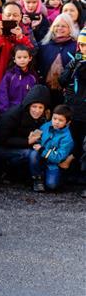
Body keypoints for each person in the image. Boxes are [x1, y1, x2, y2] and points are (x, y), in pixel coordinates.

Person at [0, 84, 51, 184]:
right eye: (34, 106)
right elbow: (1, 140)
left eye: (40, 107)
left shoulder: (43, 118)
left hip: (22, 145)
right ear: (29, 105)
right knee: (30, 153)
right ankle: (8, 172)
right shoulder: (12, 115)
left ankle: (21, 175)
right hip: (1, 149)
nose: (37, 111)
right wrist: (27, 141)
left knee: (36, 152)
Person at [29, 105, 75, 192]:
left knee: (51, 185)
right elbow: (38, 137)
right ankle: (37, 179)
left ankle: (57, 177)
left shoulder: (67, 138)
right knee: (33, 154)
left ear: (68, 122)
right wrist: (34, 139)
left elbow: (59, 158)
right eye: (54, 118)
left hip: (53, 165)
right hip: (41, 159)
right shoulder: (46, 126)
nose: (56, 122)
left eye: (60, 120)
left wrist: (42, 150)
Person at [59, 30, 86, 163]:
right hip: (72, 107)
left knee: (82, 140)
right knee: (72, 138)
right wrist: (72, 66)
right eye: (81, 45)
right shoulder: (76, 60)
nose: (83, 48)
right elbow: (62, 81)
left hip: (83, 107)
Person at [0, 47, 37, 114]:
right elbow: (2, 95)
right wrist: (6, 112)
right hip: (11, 111)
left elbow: (35, 95)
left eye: (25, 57)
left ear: (30, 58)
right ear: (14, 59)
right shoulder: (9, 76)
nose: (22, 60)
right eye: (19, 57)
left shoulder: (33, 76)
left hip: (27, 112)